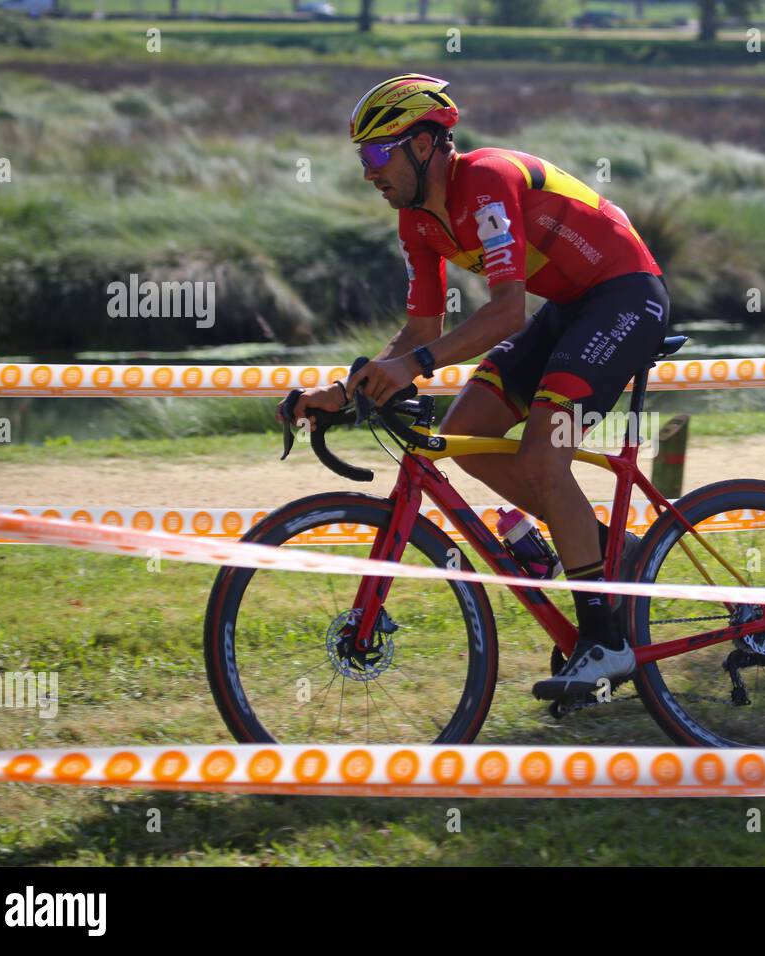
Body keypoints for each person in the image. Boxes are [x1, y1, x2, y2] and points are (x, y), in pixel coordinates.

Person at [282, 74, 670, 702]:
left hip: (625, 296)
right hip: (570, 307)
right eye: (362, 158)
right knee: (462, 436)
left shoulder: (486, 181)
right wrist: (343, 390)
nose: (368, 172)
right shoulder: (417, 222)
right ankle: (602, 552)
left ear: (425, 144)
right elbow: (421, 330)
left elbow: (506, 313)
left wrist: (416, 366)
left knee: (544, 456)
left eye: (378, 154)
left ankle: (605, 641)